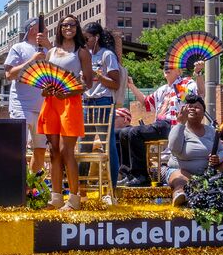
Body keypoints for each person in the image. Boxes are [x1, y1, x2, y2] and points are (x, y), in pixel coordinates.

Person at [38, 15, 94, 211]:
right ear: (59, 29)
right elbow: (44, 79)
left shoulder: (82, 52)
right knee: (53, 152)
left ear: (77, 28)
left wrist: (68, 92)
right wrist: (45, 90)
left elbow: (87, 82)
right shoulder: (51, 51)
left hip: (70, 103)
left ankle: (74, 199)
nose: (68, 27)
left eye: (72, 24)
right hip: (51, 102)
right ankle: (56, 198)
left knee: (65, 150)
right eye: (64, 25)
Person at [118, 61, 204, 187]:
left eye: (170, 66)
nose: (166, 68)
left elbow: (200, 94)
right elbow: (146, 102)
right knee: (124, 132)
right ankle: (129, 174)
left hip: (173, 124)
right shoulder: (163, 89)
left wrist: (198, 73)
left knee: (135, 132)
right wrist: (131, 85)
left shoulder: (184, 84)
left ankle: (142, 176)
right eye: (164, 66)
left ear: (179, 70)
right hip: (159, 124)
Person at [3, 18, 52, 176]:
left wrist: (49, 47)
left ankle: (32, 185)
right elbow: (9, 75)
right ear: (32, 29)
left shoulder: (50, 50)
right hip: (21, 106)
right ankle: (17, 183)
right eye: (42, 27)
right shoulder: (18, 48)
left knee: (40, 149)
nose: (47, 29)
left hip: (44, 107)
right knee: (19, 147)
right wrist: (32, 60)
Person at [165, 95, 223, 206]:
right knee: (180, 180)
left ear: (203, 113)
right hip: (181, 170)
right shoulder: (178, 129)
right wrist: (181, 123)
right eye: (189, 106)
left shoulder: (211, 131)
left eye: (196, 107)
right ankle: (180, 194)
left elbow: (222, 151)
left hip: (207, 172)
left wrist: (218, 158)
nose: (192, 109)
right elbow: (174, 149)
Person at [82, 22, 121, 185]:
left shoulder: (107, 55)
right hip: (86, 101)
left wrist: (98, 75)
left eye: (87, 38)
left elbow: (115, 83)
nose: (84, 41)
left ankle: (112, 185)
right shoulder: (85, 54)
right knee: (84, 143)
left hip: (103, 101)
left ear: (96, 38)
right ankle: (81, 186)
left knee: (107, 143)